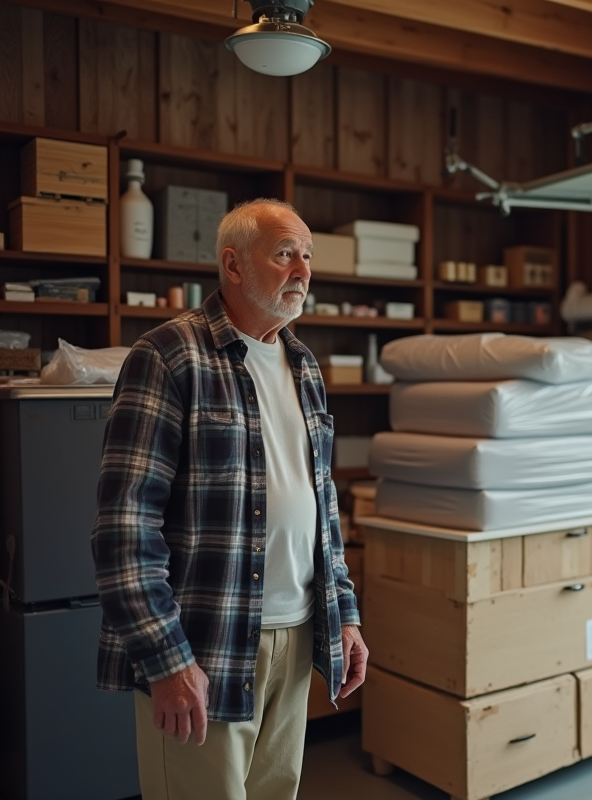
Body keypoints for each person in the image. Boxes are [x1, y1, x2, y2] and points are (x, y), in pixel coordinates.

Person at [92, 198, 367, 800]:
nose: (303, 271)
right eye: (285, 255)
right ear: (234, 266)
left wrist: (344, 613)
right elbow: (124, 529)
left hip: (295, 636)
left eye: (308, 256)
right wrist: (167, 660)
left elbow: (324, 512)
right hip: (204, 643)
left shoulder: (304, 365)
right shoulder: (168, 356)